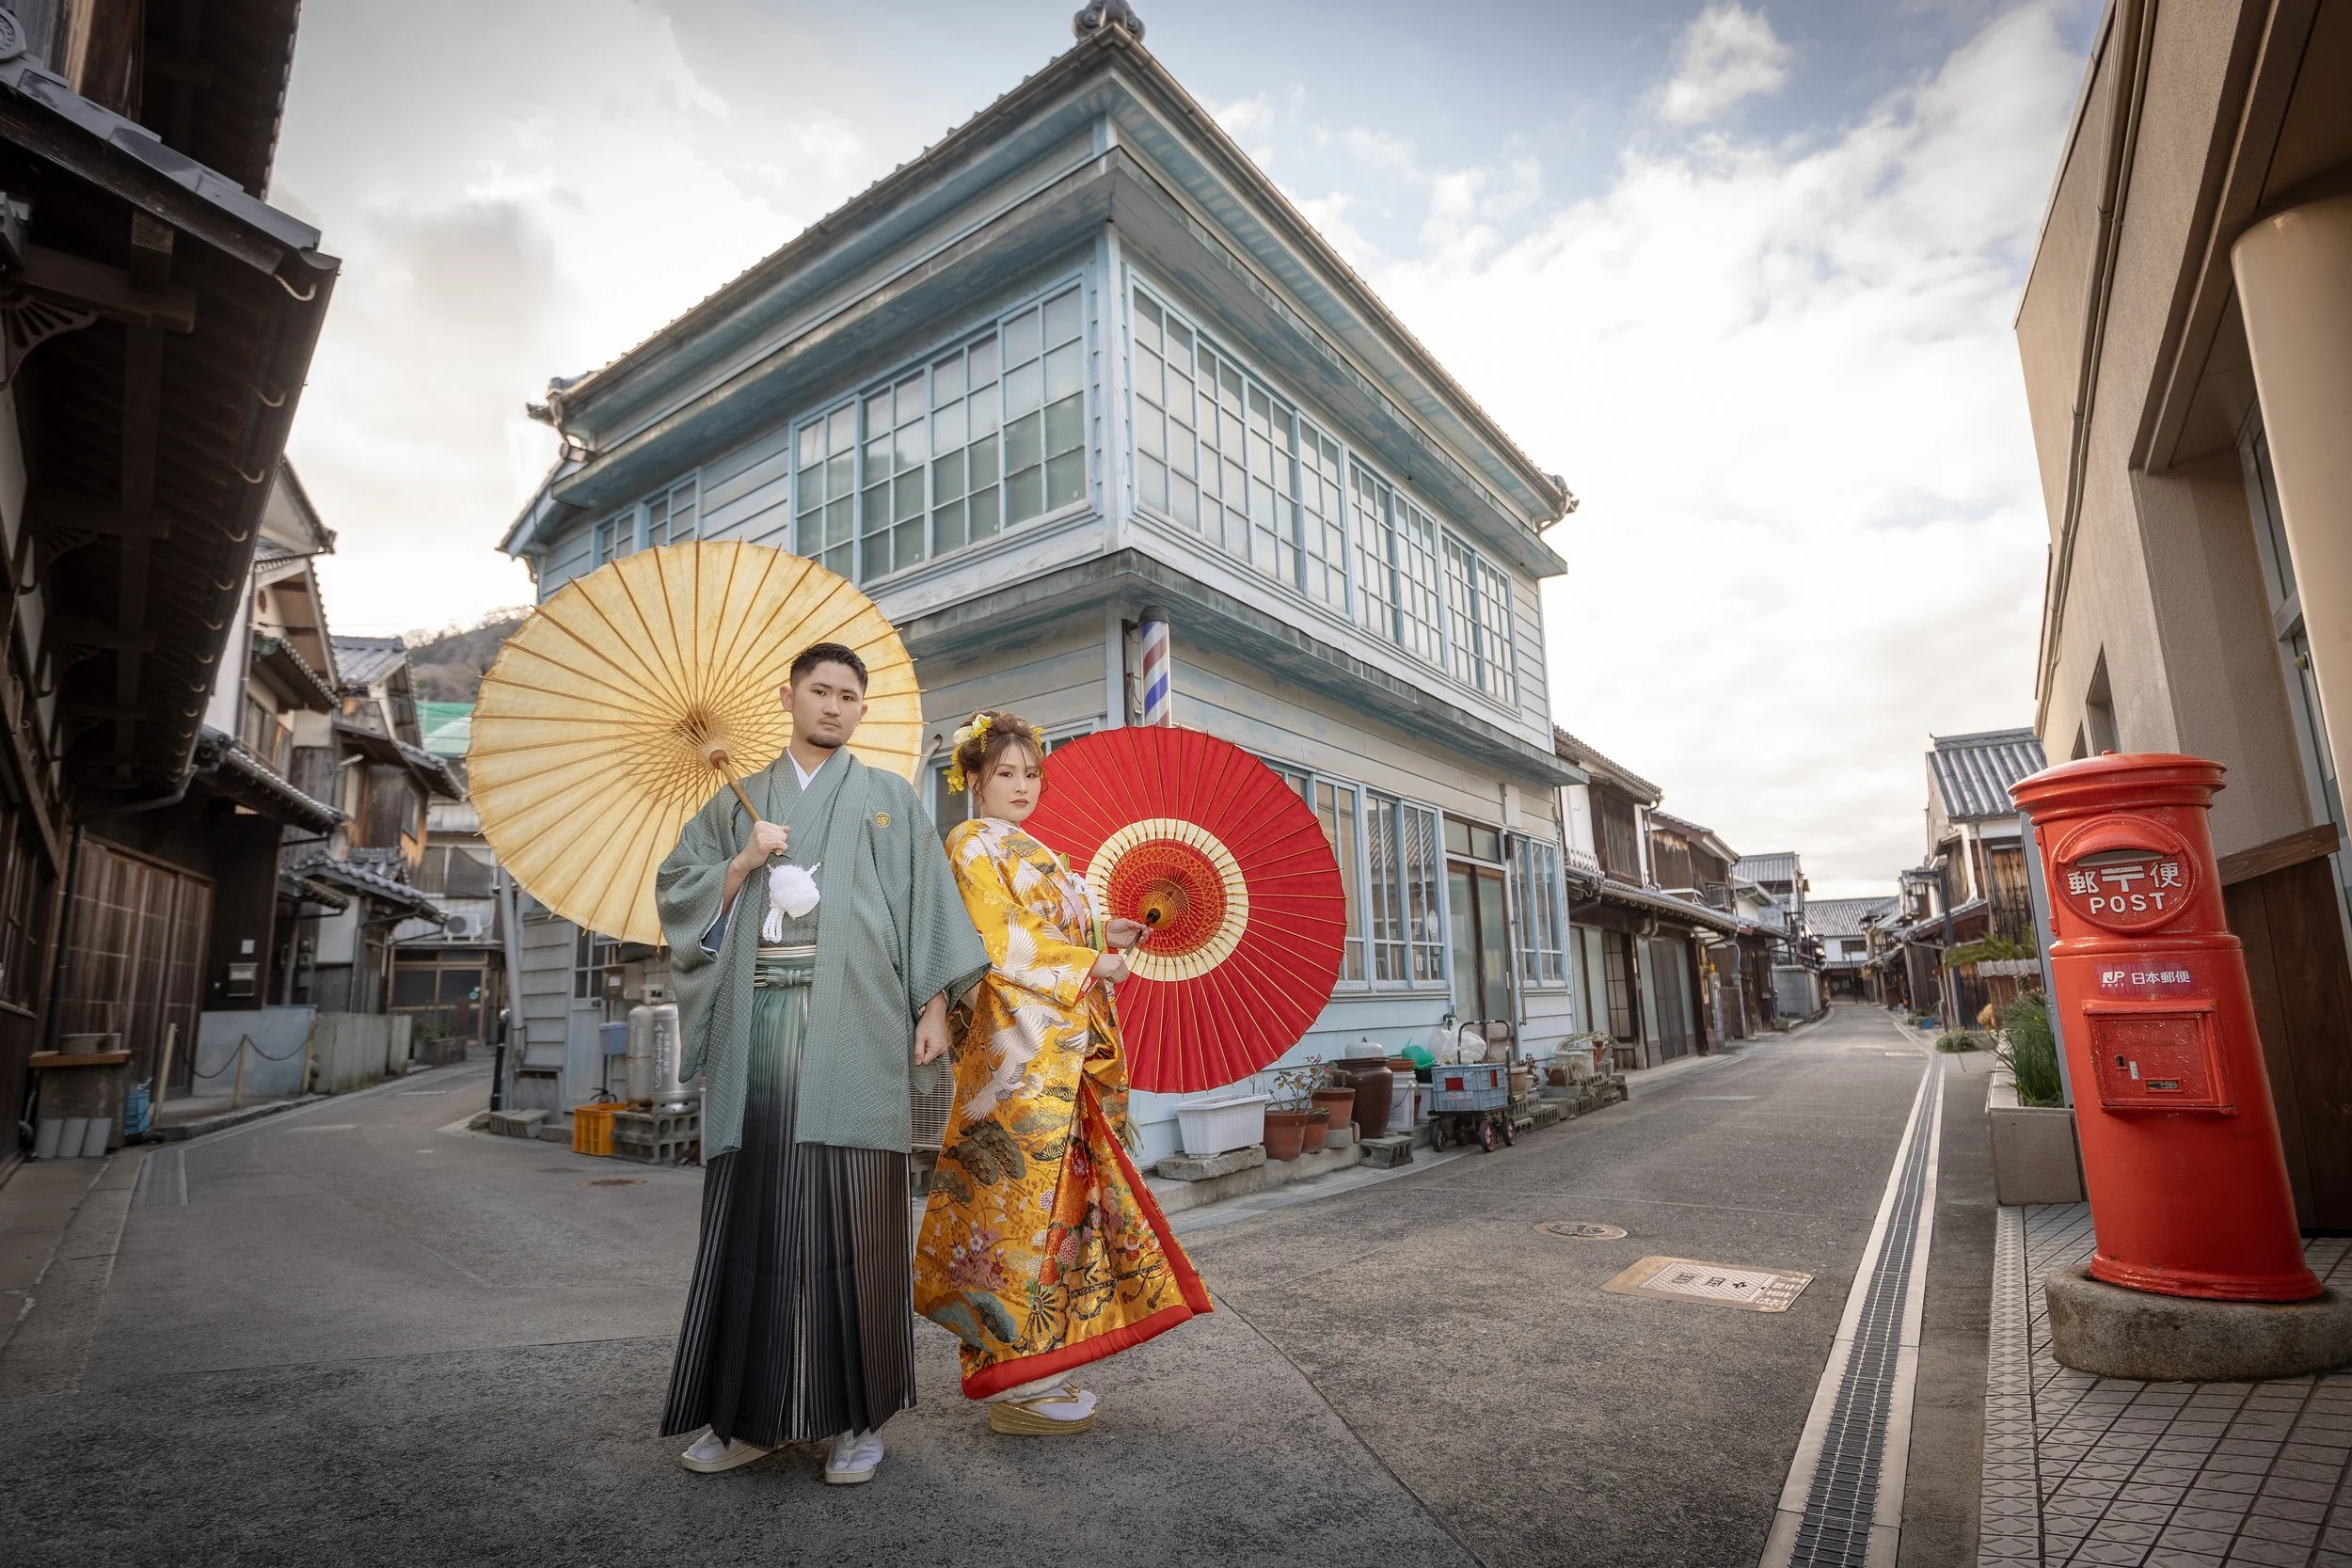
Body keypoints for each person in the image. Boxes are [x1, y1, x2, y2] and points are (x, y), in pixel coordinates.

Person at [656, 642, 989, 1484]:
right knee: (755, 1214)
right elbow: (677, 890)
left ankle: (854, 1418)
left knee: (854, 1219)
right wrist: (741, 864)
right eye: (820, 691)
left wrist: (931, 1007)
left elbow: (926, 904)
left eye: (849, 695)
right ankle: (747, 1416)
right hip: (762, 1021)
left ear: (861, 710)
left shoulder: (884, 798)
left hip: (859, 1024)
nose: (835, 706)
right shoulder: (738, 803)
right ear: (788, 696)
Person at [913, 711, 1211, 1434]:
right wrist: (1086, 964)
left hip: (1056, 1050)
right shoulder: (969, 841)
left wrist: (1103, 933)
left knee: (1062, 1210)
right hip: (1016, 1064)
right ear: (973, 780)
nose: (1021, 786)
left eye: (1031, 773)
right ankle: (1017, 1380)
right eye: (1005, 773)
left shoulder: (1033, 849)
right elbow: (996, 937)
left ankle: (1043, 1368)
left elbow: (1051, 931)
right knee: (1017, 1212)